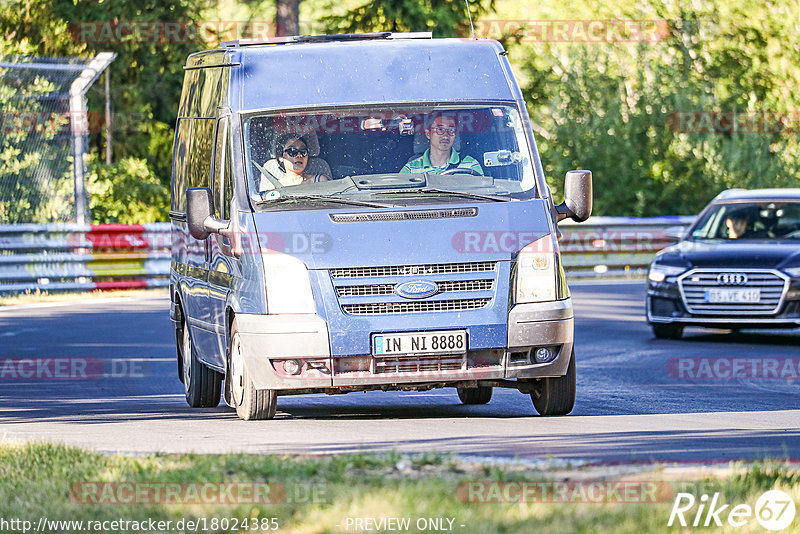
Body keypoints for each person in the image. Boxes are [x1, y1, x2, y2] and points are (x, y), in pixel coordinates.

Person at [400, 113, 484, 175]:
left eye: (451, 130)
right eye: (440, 129)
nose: (445, 135)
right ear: (428, 134)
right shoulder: (410, 169)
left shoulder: (470, 165)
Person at [260, 134, 329, 190]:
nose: (299, 155)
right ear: (281, 157)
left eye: (303, 151)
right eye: (292, 151)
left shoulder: (320, 181)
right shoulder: (273, 188)